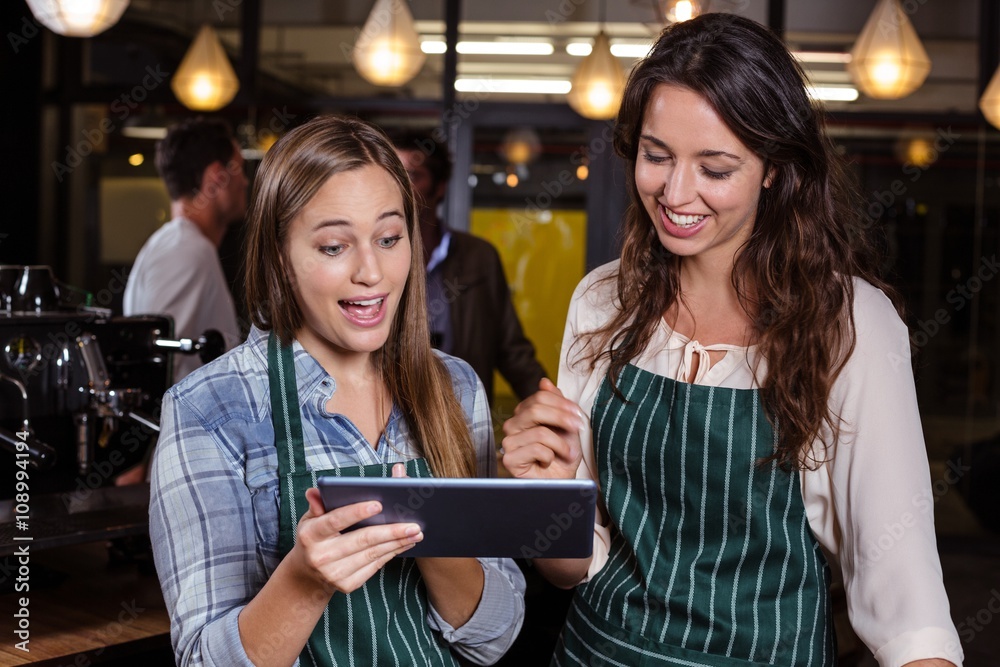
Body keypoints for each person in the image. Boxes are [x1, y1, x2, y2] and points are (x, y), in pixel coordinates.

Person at [501, 13, 963, 667]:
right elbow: (571, 565)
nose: (676, 191)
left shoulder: (849, 324)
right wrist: (542, 492)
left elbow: (907, 609)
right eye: (657, 155)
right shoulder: (602, 301)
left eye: (714, 167)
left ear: (774, 168)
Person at [148, 115, 525, 667]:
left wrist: (434, 540)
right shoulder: (209, 411)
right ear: (280, 256)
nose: (371, 272)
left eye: (389, 238)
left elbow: (496, 638)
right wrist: (304, 580)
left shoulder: (456, 388)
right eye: (333, 247)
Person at [390, 129, 546, 406]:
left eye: (412, 176)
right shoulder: (369, 260)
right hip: (386, 422)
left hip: (461, 421)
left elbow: (510, 349)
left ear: (439, 188)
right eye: (391, 175)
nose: (398, 187)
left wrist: (551, 407)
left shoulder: (478, 257)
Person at [123, 117, 245, 385]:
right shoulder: (187, 250)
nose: (245, 182)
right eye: (240, 170)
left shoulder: (177, 244)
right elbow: (159, 365)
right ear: (216, 178)